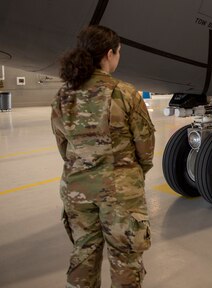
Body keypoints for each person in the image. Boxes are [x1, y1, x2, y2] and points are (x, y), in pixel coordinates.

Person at [51, 25, 155, 288]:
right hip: (120, 190)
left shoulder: (64, 95)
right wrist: (135, 171)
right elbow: (145, 144)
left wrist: (84, 165)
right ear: (110, 54)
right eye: (118, 52)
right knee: (125, 259)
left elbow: (63, 145)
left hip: (77, 189)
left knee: (83, 254)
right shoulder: (125, 92)